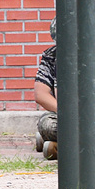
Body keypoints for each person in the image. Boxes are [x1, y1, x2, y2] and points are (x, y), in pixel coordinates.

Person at [34, 19, 58, 160]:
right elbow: (40, 94)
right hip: (64, 116)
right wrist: (68, 115)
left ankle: (56, 146)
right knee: (47, 124)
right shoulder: (51, 55)